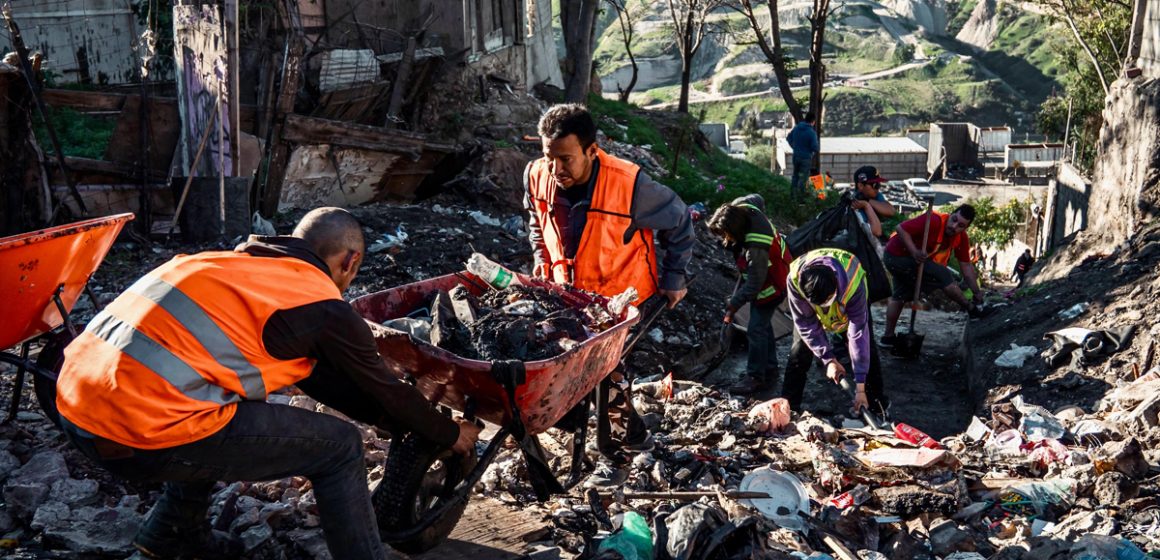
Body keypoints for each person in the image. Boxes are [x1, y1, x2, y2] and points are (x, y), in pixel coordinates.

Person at [55, 207, 481, 560]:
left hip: (74, 410)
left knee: (211, 395)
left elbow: (317, 379)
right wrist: (448, 433)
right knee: (341, 448)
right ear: (351, 261)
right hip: (135, 436)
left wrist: (388, 420)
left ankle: (171, 532)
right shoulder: (321, 303)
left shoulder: (224, 266)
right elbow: (384, 387)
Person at [523, 103, 693, 463]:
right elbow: (536, 221)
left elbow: (680, 220)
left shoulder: (630, 185)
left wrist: (674, 278)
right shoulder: (537, 174)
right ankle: (630, 435)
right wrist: (541, 259)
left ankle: (618, 453)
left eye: (566, 159)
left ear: (591, 150)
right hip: (570, 295)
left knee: (606, 372)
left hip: (621, 298)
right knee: (574, 367)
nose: (556, 169)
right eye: (549, 157)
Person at [783, 248, 887, 414]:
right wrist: (828, 359)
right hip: (810, 306)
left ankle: (876, 405)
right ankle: (788, 407)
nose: (825, 309)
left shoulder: (853, 284)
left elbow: (858, 334)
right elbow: (806, 323)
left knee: (866, 347)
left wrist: (860, 387)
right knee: (799, 351)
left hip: (849, 301)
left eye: (827, 302)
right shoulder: (795, 279)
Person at [707, 194, 792, 395]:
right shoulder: (742, 208)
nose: (724, 239)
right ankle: (770, 368)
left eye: (726, 235)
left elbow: (754, 285)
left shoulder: (756, 249)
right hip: (766, 275)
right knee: (763, 327)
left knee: (755, 329)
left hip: (773, 284)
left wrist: (734, 304)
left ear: (736, 229)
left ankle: (755, 377)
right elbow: (758, 198)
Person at [879, 204, 988, 348]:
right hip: (896, 256)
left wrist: (977, 293)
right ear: (950, 215)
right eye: (954, 220)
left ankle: (887, 338)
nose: (954, 226)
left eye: (961, 225)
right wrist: (915, 252)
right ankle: (971, 309)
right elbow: (901, 228)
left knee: (900, 295)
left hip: (912, 261)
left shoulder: (961, 238)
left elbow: (966, 266)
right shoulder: (934, 221)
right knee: (943, 274)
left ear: (965, 228)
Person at [849, 165, 896, 237]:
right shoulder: (855, 204)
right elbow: (876, 232)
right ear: (861, 186)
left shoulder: (874, 196)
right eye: (874, 185)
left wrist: (868, 201)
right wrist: (866, 205)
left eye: (878, 184)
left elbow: (891, 211)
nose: (878, 188)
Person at [786, 113, 820, 199]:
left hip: (796, 156)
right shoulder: (811, 133)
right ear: (813, 121)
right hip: (806, 158)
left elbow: (788, 138)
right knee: (803, 178)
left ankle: (792, 196)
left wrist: (794, 147)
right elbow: (815, 147)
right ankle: (801, 199)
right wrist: (811, 151)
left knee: (795, 176)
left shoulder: (797, 128)